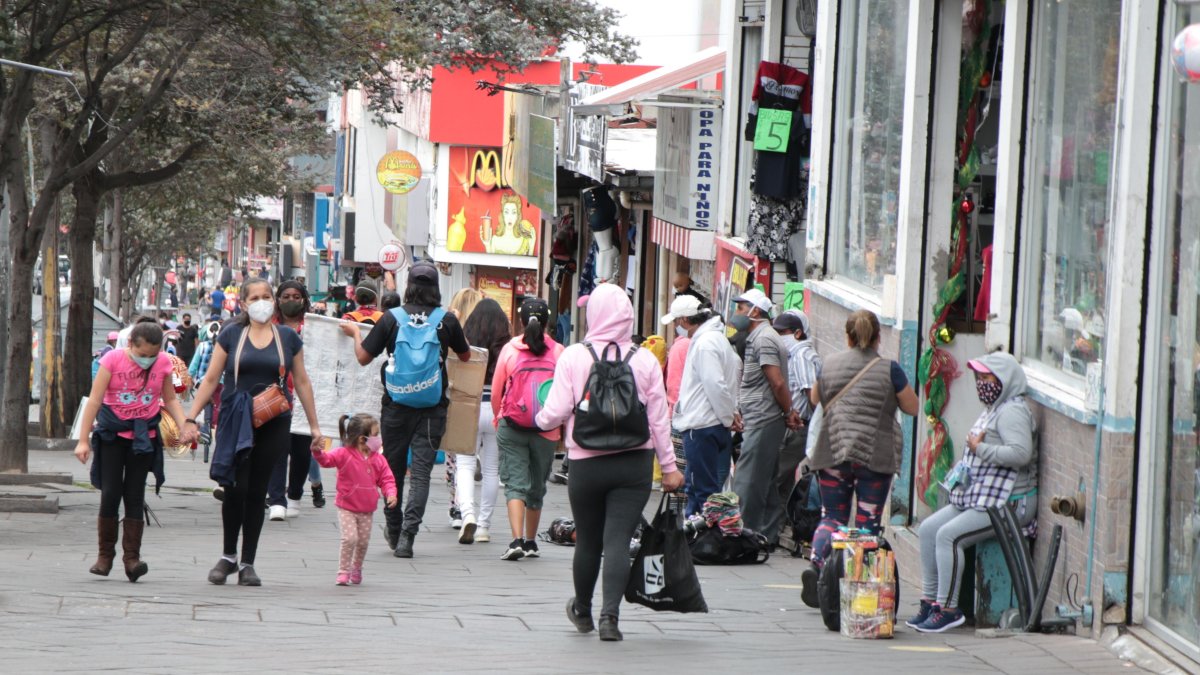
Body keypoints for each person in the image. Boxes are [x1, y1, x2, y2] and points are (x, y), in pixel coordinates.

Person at [535, 283, 684, 642]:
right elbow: (659, 419)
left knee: (588, 540)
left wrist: (539, 421)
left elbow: (555, 412)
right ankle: (610, 619)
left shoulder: (574, 356)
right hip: (633, 463)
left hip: (586, 463)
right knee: (617, 540)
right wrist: (669, 467)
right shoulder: (645, 359)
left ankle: (582, 610)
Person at [186, 278, 325, 587]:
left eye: (266, 296)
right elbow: (211, 379)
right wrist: (191, 417)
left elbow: (301, 382)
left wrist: (315, 426)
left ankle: (248, 562)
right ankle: (228, 557)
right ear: (244, 304)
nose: (262, 301)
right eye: (255, 297)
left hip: (274, 421)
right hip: (237, 419)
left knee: (256, 490)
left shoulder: (287, 338)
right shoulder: (232, 334)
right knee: (234, 488)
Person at [340, 262, 471, 558]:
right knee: (422, 473)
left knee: (393, 470)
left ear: (408, 286)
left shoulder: (392, 318)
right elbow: (464, 356)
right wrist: (452, 329)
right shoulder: (445, 320)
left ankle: (394, 528)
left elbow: (363, 358)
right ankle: (408, 538)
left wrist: (355, 334)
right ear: (436, 287)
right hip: (432, 407)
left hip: (397, 406)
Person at [908, 352, 1036, 633]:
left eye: (986, 377)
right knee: (929, 529)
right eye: (978, 377)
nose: (981, 383)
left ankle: (948, 609)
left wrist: (981, 449)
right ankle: (930, 601)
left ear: (1004, 380)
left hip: (1008, 503)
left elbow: (1021, 453)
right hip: (982, 496)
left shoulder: (1012, 411)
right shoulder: (993, 408)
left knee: (948, 537)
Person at [801, 309, 920, 607]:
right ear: (879, 338)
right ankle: (860, 587)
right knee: (867, 524)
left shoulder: (829, 364)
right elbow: (913, 407)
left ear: (847, 336)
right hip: (874, 458)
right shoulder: (890, 369)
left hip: (834, 452)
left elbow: (815, 399)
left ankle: (817, 568)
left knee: (833, 517)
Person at [74, 322, 194, 581]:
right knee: (111, 493)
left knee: (135, 495)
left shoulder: (163, 362)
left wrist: (185, 424)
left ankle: (132, 559)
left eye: (152, 355)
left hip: (143, 438)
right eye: (142, 355)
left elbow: (170, 398)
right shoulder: (112, 360)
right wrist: (83, 440)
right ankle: (105, 556)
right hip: (112, 435)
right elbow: (94, 401)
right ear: (130, 345)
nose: (147, 360)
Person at [491, 298, 564, 559]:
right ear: (547, 322)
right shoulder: (558, 352)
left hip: (513, 426)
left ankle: (516, 540)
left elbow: (497, 391)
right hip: (546, 430)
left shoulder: (510, 350)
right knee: (537, 486)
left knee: (515, 485)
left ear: (520, 321)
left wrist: (500, 418)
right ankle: (532, 542)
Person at [730, 289, 799, 544]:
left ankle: (741, 536)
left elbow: (777, 382)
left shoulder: (764, 339)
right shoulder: (759, 337)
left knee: (747, 481)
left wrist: (788, 411)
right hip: (760, 417)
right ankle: (766, 535)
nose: (736, 313)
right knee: (766, 481)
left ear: (755, 311)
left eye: (740, 307)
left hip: (763, 418)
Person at [669, 298, 741, 516]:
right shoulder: (716, 339)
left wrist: (729, 416)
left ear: (684, 319)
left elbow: (715, 384)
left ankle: (698, 543)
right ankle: (701, 540)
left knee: (702, 492)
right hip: (713, 424)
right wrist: (730, 414)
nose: (676, 327)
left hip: (702, 426)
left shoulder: (705, 343)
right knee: (706, 491)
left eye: (676, 322)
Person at [313, 413, 398, 586]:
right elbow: (326, 460)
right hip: (347, 507)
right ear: (362, 438)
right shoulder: (344, 454)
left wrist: (391, 493)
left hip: (367, 509)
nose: (378, 439)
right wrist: (317, 450)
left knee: (363, 542)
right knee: (350, 538)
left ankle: (356, 568)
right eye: (375, 435)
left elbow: (387, 478)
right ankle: (343, 571)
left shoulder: (378, 459)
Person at [453, 298, 511, 545]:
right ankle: (484, 526)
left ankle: (467, 515)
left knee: (464, 465)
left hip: (469, 406)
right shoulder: (507, 347)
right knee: (491, 470)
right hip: (496, 409)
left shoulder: (466, 341)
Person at [267, 280, 325, 519]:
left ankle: (294, 496)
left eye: (296, 296)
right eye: (286, 296)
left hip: (305, 397)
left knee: (302, 452)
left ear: (304, 300)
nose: (291, 300)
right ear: (278, 300)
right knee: (277, 449)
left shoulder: (315, 326)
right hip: (274, 396)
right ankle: (277, 499)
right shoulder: (267, 326)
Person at [769, 309, 822, 541]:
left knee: (774, 477)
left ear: (797, 333)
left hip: (798, 427)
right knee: (783, 479)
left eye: (782, 332)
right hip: (797, 426)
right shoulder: (793, 354)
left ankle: (769, 529)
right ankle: (778, 527)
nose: (778, 336)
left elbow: (812, 395)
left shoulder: (801, 355)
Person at [444, 287, 485, 529]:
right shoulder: (484, 330)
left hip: (454, 396)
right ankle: (472, 508)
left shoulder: (451, 330)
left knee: (454, 456)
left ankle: (457, 506)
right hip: (480, 398)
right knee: (478, 459)